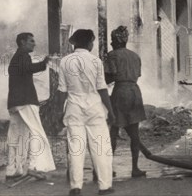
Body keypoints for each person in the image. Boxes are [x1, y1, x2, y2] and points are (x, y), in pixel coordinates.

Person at [58, 29, 115, 196]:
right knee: (101, 147)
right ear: (89, 42)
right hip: (94, 108)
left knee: (76, 148)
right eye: (92, 41)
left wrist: (58, 112)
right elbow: (102, 88)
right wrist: (111, 111)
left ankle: (75, 187)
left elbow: (62, 90)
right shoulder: (95, 61)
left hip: (74, 107)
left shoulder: (65, 61)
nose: (92, 44)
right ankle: (104, 187)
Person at [6, 33, 55, 179]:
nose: (34, 44)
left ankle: (13, 169)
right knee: (36, 132)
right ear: (22, 42)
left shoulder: (16, 57)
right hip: (26, 101)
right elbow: (28, 68)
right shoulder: (23, 56)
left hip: (15, 102)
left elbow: (24, 70)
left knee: (16, 135)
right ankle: (34, 166)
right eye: (31, 41)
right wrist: (44, 62)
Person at [105, 26, 148, 178]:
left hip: (120, 92)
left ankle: (108, 168)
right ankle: (135, 168)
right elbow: (137, 74)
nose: (110, 42)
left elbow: (109, 77)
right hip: (135, 92)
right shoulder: (135, 56)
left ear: (116, 40)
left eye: (112, 39)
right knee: (134, 133)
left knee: (113, 131)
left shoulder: (112, 55)